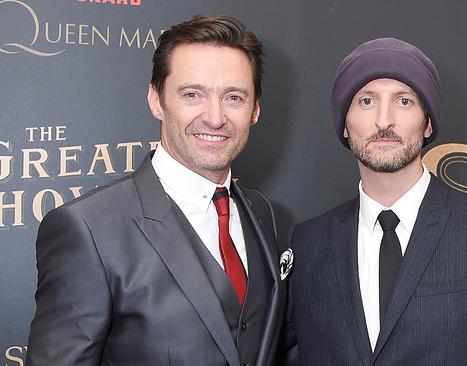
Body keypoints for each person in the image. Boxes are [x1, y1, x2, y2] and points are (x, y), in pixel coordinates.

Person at [26, 15, 284, 366]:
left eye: (234, 97)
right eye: (193, 94)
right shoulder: (87, 229)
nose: (215, 117)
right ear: (156, 100)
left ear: (255, 110)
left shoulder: (261, 212)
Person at [283, 37, 467, 365]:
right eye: (366, 101)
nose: (383, 121)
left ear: (428, 122)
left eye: (403, 101)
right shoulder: (308, 244)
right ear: (345, 126)